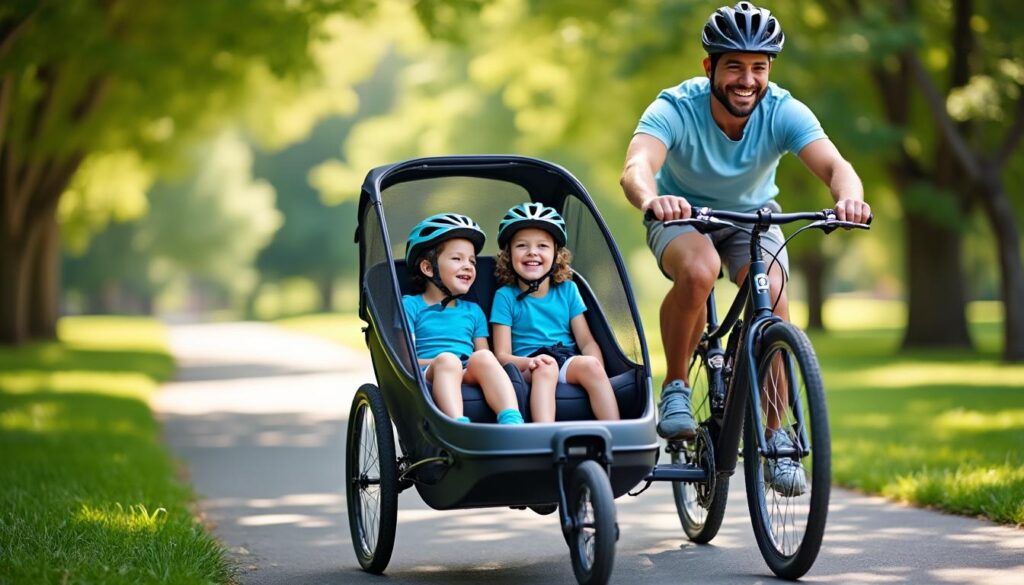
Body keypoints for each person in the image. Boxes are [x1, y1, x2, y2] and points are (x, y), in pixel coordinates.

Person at [619, 2, 871, 495]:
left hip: (753, 219)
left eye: (758, 67)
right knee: (698, 270)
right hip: (682, 216)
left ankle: (776, 438)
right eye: (734, 65)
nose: (747, 79)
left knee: (773, 299)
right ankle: (673, 386)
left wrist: (850, 199)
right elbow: (636, 167)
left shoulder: (783, 109)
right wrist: (653, 199)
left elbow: (836, 166)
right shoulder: (675, 106)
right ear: (709, 67)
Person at [490, 202, 621, 423]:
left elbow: (586, 341)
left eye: (542, 245)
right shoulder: (505, 296)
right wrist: (531, 362)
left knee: (589, 365)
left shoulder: (568, 290)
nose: (532, 252)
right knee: (546, 368)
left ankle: (618, 436)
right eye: (522, 245)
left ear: (556, 255)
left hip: (565, 359)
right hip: (528, 366)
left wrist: (596, 364)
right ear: (508, 255)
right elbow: (501, 355)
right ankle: (544, 435)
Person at [403, 213, 524, 425]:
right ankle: (457, 425)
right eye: (457, 259)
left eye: (472, 261)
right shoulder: (411, 305)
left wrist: (460, 365)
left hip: (465, 369)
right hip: (427, 373)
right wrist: (447, 363)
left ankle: (512, 421)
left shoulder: (473, 311)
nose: (468, 266)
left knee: (485, 357)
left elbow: (481, 353)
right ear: (428, 268)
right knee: (448, 361)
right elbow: (405, 361)